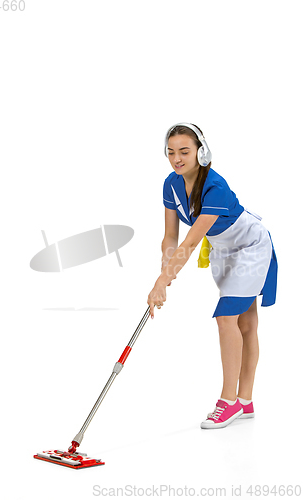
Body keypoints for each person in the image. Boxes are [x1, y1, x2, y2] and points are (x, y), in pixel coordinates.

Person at [147, 123, 278, 429]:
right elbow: (171, 236)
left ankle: (228, 401)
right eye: (170, 152)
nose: (176, 159)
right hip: (223, 250)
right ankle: (245, 402)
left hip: (251, 247)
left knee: (226, 318)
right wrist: (166, 270)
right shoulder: (171, 183)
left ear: (201, 152)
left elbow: (191, 241)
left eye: (184, 151)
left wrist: (161, 282)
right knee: (244, 322)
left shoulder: (214, 186)